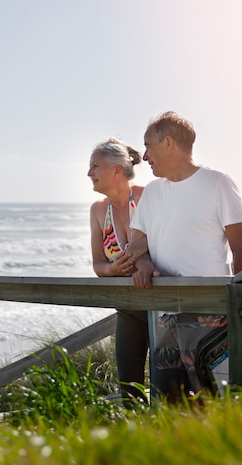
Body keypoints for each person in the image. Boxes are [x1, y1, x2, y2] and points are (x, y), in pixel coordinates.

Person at [120, 111, 242, 402]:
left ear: (168, 143)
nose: (144, 155)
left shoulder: (218, 183)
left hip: (210, 313)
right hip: (164, 313)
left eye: (148, 146)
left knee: (218, 398)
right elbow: (137, 241)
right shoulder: (152, 192)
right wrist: (144, 265)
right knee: (169, 400)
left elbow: (241, 248)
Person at [88, 137, 149, 400]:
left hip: (165, 307)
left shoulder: (148, 196)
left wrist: (139, 254)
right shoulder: (98, 210)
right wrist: (113, 270)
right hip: (128, 309)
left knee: (168, 387)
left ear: (115, 169)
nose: (89, 173)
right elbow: (98, 265)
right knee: (129, 390)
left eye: (94, 166)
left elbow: (170, 239)